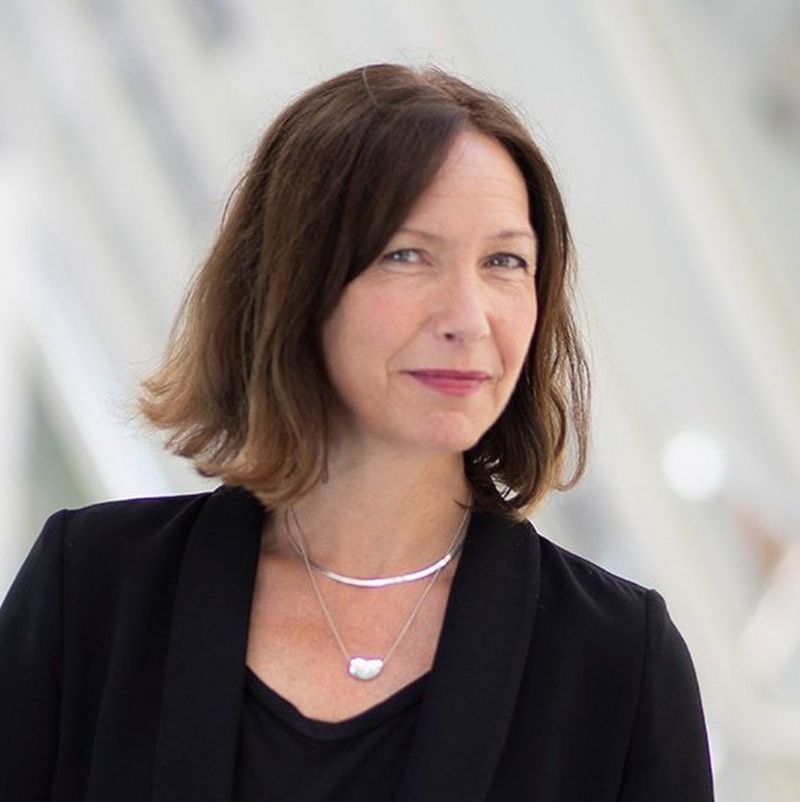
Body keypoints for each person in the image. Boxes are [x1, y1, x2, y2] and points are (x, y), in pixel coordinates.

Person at [0, 63, 714, 801]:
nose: (468, 319)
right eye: (407, 255)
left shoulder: (617, 663)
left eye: (504, 261)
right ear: (295, 281)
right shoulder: (91, 592)